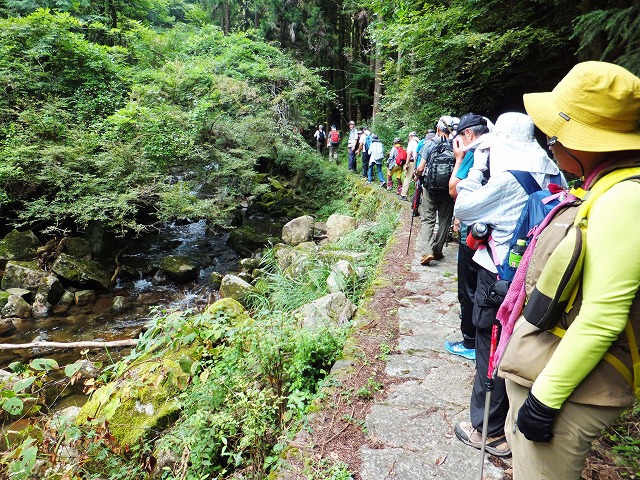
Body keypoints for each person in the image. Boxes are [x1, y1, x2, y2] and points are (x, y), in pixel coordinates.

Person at [496, 61, 640, 480]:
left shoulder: (623, 200)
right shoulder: (609, 186)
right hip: (559, 368)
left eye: (555, 136)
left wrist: (542, 401)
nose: (550, 145)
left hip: (571, 386)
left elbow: (602, 317)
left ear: (587, 141)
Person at [452, 111, 565, 459]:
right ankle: (505, 421)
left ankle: (487, 431)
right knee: (517, 345)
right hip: (535, 276)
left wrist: (474, 167)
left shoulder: (507, 179)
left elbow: (465, 208)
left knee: (490, 347)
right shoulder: (551, 171)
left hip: (500, 276)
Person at [444, 113, 491, 361]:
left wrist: (459, 157)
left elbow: (454, 189)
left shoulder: (473, 153)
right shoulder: (499, 147)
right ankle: (485, 340)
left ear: (469, 134)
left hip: (473, 231)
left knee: (469, 288)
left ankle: (470, 342)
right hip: (494, 230)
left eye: (460, 136)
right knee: (486, 285)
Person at [414, 118, 455, 266]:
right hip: (448, 191)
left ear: (438, 129)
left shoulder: (430, 144)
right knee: (445, 220)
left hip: (430, 188)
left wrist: (417, 174)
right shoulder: (456, 145)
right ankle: (437, 251)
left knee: (428, 219)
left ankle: (427, 251)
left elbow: (420, 168)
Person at [400, 131, 419, 201]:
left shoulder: (411, 142)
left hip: (412, 162)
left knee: (407, 178)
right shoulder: (420, 142)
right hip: (419, 162)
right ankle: (417, 198)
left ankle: (403, 195)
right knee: (417, 180)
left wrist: (407, 163)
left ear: (410, 136)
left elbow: (409, 153)